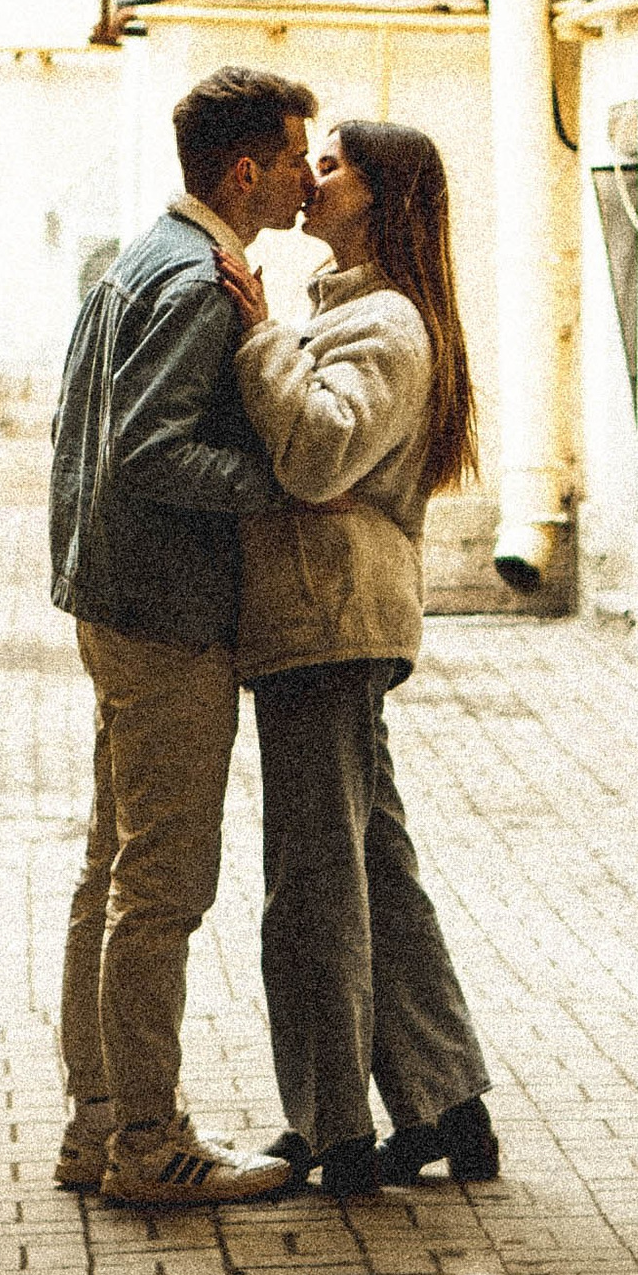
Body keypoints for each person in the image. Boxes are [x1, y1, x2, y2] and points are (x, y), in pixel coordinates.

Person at [217, 116, 499, 1202]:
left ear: (379, 197)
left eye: (329, 166)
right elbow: (311, 461)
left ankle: (331, 1126)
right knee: (372, 870)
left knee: (312, 885)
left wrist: (261, 344)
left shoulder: (383, 325)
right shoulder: (353, 310)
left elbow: (316, 451)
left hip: (326, 624)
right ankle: (446, 1108)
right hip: (327, 617)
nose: (308, 177)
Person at [49, 63, 317, 1207]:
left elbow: (83, 435)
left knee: (112, 867)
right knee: (161, 886)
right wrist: (281, 486)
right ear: (247, 169)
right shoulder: (201, 281)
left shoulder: (138, 254)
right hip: (165, 613)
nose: (311, 177)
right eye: (299, 157)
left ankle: (98, 1125)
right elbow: (148, 452)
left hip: (111, 599)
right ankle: (150, 1145)